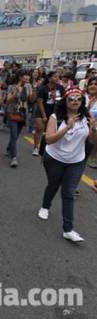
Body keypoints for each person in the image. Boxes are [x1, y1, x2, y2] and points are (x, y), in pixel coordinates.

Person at [37, 88, 97, 242]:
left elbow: (91, 142)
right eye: (71, 99)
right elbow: (49, 139)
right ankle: (45, 206)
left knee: (68, 192)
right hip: (55, 158)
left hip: (76, 161)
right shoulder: (55, 117)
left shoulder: (87, 116)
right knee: (53, 185)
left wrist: (94, 129)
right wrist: (67, 127)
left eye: (78, 98)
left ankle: (68, 229)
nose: (75, 101)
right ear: (65, 101)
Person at [6, 70, 33, 167]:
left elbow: (31, 100)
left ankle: (9, 148)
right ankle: (14, 157)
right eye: (25, 75)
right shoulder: (12, 87)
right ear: (20, 77)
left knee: (16, 135)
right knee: (14, 135)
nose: (27, 77)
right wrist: (16, 91)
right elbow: (8, 100)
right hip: (12, 112)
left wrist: (32, 90)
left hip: (23, 113)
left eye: (28, 76)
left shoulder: (29, 86)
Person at [33, 71, 65, 156]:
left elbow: (63, 100)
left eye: (58, 77)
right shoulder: (43, 88)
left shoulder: (61, 88)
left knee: (50, 131)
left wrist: (57, 98)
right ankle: (36, 147)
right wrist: (44, 115)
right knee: (39, 128)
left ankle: (48, 148)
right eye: (55, 77)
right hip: (42, 110)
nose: (57, 78)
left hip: (54, 111)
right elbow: (40, 102)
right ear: (49, 78)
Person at [85, 77, 97, 168]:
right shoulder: (81, 96)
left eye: (96, 84)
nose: (93, 86)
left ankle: (93, 156)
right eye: (91, 84)